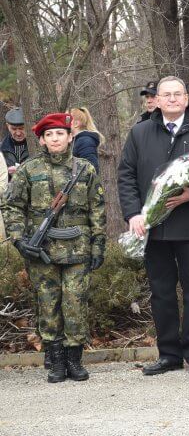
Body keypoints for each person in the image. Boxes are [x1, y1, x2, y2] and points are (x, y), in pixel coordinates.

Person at [118, 76, 189, 376]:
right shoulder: (139, 132)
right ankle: (169, 355)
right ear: (157, 99)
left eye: (178, 94)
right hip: (152, 227)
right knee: (161, 292)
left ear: (187, 98)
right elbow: (125, 175)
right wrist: (133, 214)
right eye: (167, 95)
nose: (173, 99)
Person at [3, 113, 106, 383]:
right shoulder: (29, 169)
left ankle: (75, 360)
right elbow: (13, 207)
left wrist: (98, 244)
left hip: (78, 250)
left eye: (60, 133)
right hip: (42, 252)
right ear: (41, 140)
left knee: (75, 303)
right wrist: (19, 240)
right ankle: (55, 361)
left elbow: (97, 209)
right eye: (49, 135)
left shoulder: (85, 169)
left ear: (70, 136)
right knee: (48, 305)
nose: (55, 138)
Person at [68, 107, 104, 173]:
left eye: (68, 120)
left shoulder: (85, 141)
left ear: (76, 124)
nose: (64, 123)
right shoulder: (76, 140)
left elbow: (92, 169)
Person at [2, 108, 29, 178]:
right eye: (14, 129)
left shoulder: (37, 146)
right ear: (8, 126)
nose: (18, 133)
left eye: (21, 128)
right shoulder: (1, 148)